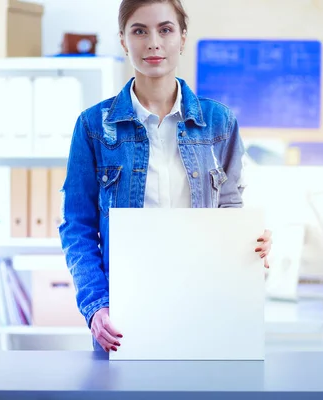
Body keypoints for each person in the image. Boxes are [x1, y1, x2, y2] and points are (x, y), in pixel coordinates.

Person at [58, 0, 272, 355]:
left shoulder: (220, 123)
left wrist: (251, 244)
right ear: (124, 41)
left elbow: (231, 210)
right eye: (139, 31)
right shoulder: (94, 127)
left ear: (182, 38)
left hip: (206, 307)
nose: (153, 42)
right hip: (124, 315)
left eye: (165, 29)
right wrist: (96, 307)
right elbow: (77, 226)